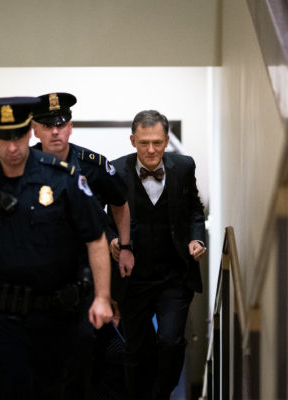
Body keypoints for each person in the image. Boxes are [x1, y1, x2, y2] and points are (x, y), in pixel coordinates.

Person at [0, 96, 113, 400]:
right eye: (4, 138)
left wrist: (103, 297)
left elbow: (96, 238)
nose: (12, 147)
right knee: (9, 391)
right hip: (0, 317)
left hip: (57, 314)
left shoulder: (61, 177)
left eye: (17, 136)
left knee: (56, 390)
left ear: (29, 132)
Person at [31, 92, 134, 398]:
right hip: (43, 275)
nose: (55, 131)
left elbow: (120, 201)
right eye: (47, 125)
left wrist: (125, 246)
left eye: (60, 124)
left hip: (88, 274)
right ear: (35, 129)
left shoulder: (92, 165)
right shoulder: (22, 167)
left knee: (92, 349)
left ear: (70, 126)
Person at [108, 110, 206, 399]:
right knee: (136, 348)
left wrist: (196, 238)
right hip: (133, 278)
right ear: (132, 141)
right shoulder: (115, 171)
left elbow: (195, 210)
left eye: (157, 143)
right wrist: (113, 240)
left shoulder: (184, 167)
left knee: (171, 341)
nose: (151, 150)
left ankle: (162, 393)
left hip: (173, 276)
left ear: (166, 141)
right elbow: (101, 218)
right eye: (144, 143)